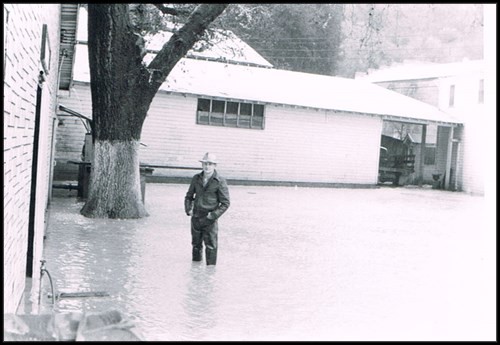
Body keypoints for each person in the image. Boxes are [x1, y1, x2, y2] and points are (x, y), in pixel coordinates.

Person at [184, 153, 230, 265]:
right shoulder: (196, 178)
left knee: (211, 246)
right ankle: (195, 272)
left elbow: (225, 203)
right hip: (196, 217)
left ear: (215, 166)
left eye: (210, 164)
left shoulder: (220, 181)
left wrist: (212, 216)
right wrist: (188, 209)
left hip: (209, 219)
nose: (207, 167)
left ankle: (210, 273)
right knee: (196, 244)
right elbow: (189, 196)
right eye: (205, 164)